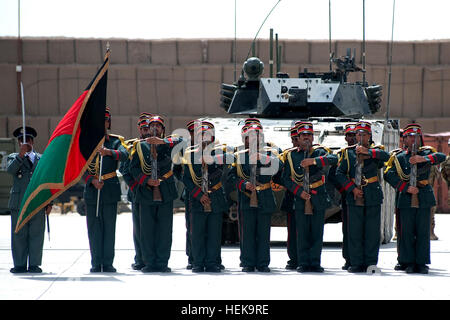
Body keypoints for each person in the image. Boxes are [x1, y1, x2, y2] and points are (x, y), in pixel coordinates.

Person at [384, 123, 446, 274]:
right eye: (410, 137)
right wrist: (404, 188)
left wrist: (422, 159)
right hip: (406, 197)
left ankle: (422, 262)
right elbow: (388, 174)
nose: (413, 140)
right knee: (406, 231)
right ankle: (407, 261)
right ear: (404, 139)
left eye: (416, 137)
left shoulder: (426, 153)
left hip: (423, 195)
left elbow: (441, 157)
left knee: (423, 231)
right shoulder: (398, 157)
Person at [129, 115, 184, 273]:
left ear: (163, 130)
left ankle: (162, 262)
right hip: (146, 193)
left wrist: (163, 142)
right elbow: (133, 168)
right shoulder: (140, 146)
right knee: (147, 230)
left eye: (158, 126)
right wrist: (145, 180)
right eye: (152, 125)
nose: (155, 128)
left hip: (165, 191)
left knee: (164, 230)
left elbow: (183, 140)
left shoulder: (169, 144)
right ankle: (149, 263)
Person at [281, 122, 337, 273]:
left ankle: (315, 262)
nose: (306, 138)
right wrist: (299, 192)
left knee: (317, 232)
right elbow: (285, 178)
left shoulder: (319, 152)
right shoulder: (291, 155)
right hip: (300, 198)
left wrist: (314, 161)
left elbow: (333, 159)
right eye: (303, 136)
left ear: (313, 138)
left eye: (309, 135)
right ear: (297, 138)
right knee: (302, 232)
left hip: (317, 196)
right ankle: (303, 262)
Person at [335, 121, 390, 273]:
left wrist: (369, 153)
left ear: (369, 136)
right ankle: (356, 262)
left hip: (372, 193)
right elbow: (339, 173)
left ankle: (371, 262)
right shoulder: (348, 152)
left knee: (372, 231)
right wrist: (351, 189)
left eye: (363, 134)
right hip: (355, 194)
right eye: (358, 134)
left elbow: (387, 157)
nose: (360, 137)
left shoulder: (376, 151)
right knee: (355, 231)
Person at [230, 121, 282, 272]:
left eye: (256, 136)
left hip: (264, 196)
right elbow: (231, 177)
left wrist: (262, 158)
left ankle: (263, 263)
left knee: (263, 232)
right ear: (244, 139)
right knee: (247, 232)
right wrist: (242, 184)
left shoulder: (269, 153)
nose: (253, 139)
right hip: (246, 198)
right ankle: (247, 262)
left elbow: (280, 166)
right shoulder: (238, 156)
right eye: (249, 137)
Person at [82, 107, 128, 273]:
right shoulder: (86, 142)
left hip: (109, 189)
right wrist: (92, 180)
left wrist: (108, 152)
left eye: (106, 120)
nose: (103, 123)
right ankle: (96, 262)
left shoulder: (115, 141)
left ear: (109, 122)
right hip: (93, 189)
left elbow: (125, 154)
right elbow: (80, 167)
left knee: (109, 228)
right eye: (100, 120)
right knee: (94, 228)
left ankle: (107, 263)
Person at [182, 121, 232, 272]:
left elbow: (231, 159)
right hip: (197, 199)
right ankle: (198, 262)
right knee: (197, 233)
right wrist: (198, 195)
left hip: (215, 197)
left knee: (214, 233)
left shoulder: (219, 152)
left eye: (207, 135)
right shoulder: (189, 153)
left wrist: (212, 159)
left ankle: (211, 262)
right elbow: (186, 178)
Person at [7, 126, 52, 273]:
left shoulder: (41, 158)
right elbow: (10, 170)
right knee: (19, 233)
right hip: (19, 201)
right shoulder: (14, 157)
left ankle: (34, 264)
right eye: (21, 141)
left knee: (36, 233)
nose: (24, 143)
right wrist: (20, 155)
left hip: (36, 202)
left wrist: (49, 202)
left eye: (27, 140)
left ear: (32, 141)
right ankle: (19, 264)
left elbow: (48, 180)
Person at [118, 113, 152, 270]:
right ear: (139, 128)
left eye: (148, 127)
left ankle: (153, 258)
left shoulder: (159, 143)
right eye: (143, 127)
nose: (146, 130)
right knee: (139, 229)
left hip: (156, 192)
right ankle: (140, 259)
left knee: (154, 228)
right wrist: (135, 187)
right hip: (139, 192)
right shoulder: (132, 146)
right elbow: (124, 170)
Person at [328, 123, 357, 270]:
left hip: (367, 194)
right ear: (345, 138)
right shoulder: (341, 154)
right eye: (349, 135)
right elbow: (333, 175)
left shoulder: (369, 151)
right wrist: (346, 189)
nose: (352, 138)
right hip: (348, 196)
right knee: (348, 229)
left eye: (354, 135)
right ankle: (349, 259)